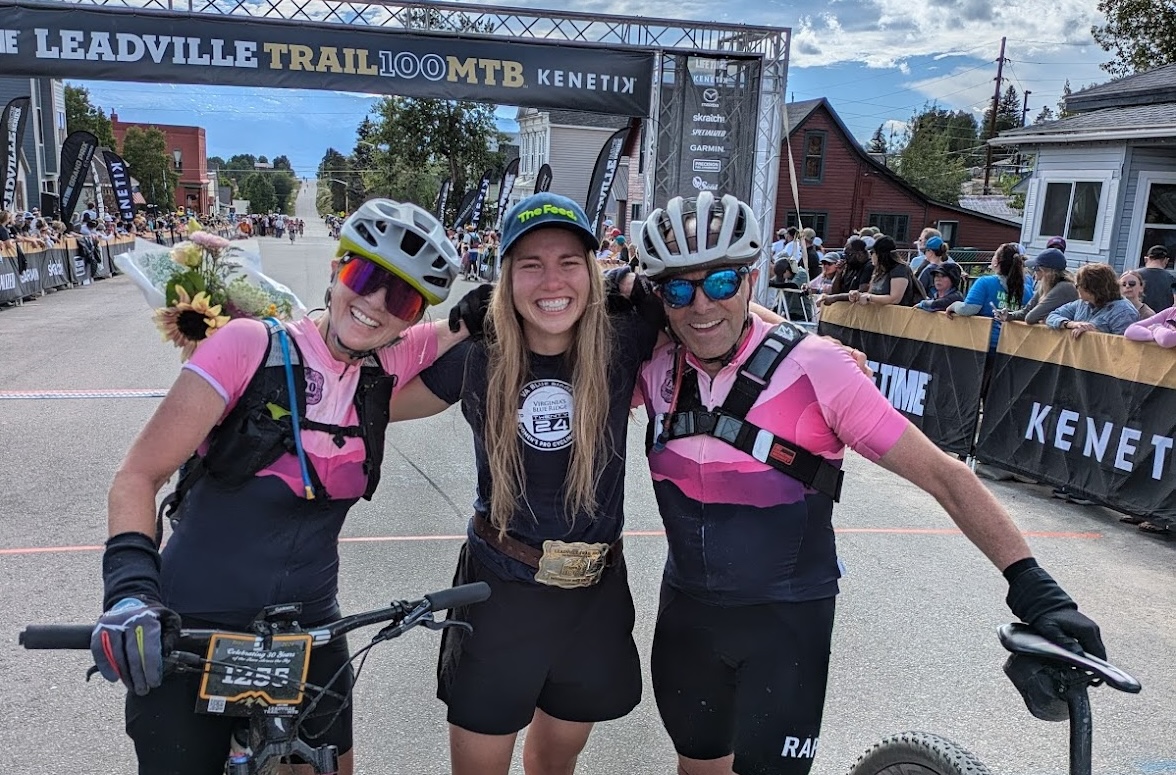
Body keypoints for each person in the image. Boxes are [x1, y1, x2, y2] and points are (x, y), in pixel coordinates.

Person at [631, 193, 1106, 775]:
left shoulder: (818, 369)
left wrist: (1033, 585)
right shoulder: (652, 365)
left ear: (751, 278)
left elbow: (944, 475)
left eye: (723, 282)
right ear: (660, 298)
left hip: (786, 627)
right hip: (687, 620)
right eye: (680, 289)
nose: (701, 305)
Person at [87, 199, 467, 774]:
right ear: (338, 267)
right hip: (192, 627)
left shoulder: (386, 366)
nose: (374, 305)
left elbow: (480, 323)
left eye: (403, 298)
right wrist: (129, 593)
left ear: (412, 317)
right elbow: (138, 475)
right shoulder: (249, 345)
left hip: (309, 631)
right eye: (364, 277)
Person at [389, 193, 661, 775]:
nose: (551, 280)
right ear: (505, 276)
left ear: (591, 272)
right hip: (502, 593)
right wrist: (453, 323)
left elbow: (720, 317)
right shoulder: (478, 355)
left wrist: (813, 342)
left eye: (568, 261)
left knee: (554, 764)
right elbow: (371, 395)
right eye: (530, 264)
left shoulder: (622, 340)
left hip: (594, 594)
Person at [1046, 263, 1139, 337]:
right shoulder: (1081, 304)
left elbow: (1124, 347)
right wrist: (1071, 324)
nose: (1076, 288)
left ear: (1092, 288)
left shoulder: (1124, 312)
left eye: (1078, 285)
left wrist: (1095, 334)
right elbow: (1052, 316)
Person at [998, 248, 1077, 325]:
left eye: (1036, 268)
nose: (1034, 271)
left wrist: (1044, 318)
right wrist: (1009, 315)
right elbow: (1025, 312)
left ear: (1047, 271)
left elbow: (1030, 318)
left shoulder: (1065, 287)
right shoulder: (1046, 286)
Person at [847, 235, 923, 307]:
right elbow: (872, 293)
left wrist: (869, 297)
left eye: (872, 252)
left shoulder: (900, 269)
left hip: (900, 316)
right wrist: (858, 294)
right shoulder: (879, 271)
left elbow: (895, 299)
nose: (870, 255)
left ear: (880, 254)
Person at [1136, 245, 1175, 313]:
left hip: (1137, 319)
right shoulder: (1172, 279)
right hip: (1162, 321)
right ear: (1166, 260)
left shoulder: (1133, 276)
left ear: (1146, 259)